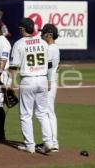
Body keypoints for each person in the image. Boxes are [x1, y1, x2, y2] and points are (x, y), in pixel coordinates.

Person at [9, 18, 52, 154]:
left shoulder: (19, 44)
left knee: (26, 115)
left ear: (22, 29)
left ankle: (30, 145)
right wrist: (49, 80)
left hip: (28, 80)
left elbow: (13, 67)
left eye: (20, 28)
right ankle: (48, 142)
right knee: (42, 113)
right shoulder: (43, 42)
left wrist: (10, 84)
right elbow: (50, 65)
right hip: (43, 79)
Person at [40, 23, 60, 152]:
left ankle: (53, 143)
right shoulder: (53, 47)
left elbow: (48, 67)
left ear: (49, 34)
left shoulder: (51, 48)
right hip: (52, 80)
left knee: (48, 111)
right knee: (48, 111)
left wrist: (47, 81)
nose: (42, 35)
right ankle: (53, 142)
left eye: (44, 33)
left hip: (49, 81)